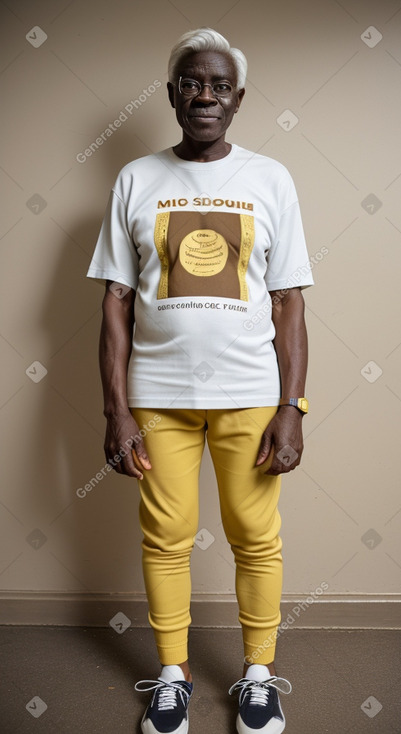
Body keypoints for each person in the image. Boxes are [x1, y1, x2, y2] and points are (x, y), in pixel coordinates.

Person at [87, 27, 313, 734]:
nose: (205, 95)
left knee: (254, 535)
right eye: (191, 83)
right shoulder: (136, 178)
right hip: (158, 397)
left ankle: (255, 676)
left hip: (250, 392)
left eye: (218, 85)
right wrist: (115, 410)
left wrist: (291, 405)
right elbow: (115, 302)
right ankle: (173, 678)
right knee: (166, 537)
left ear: (237, 98)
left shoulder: (269, 178)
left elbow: (289, 303)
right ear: (172, 95)